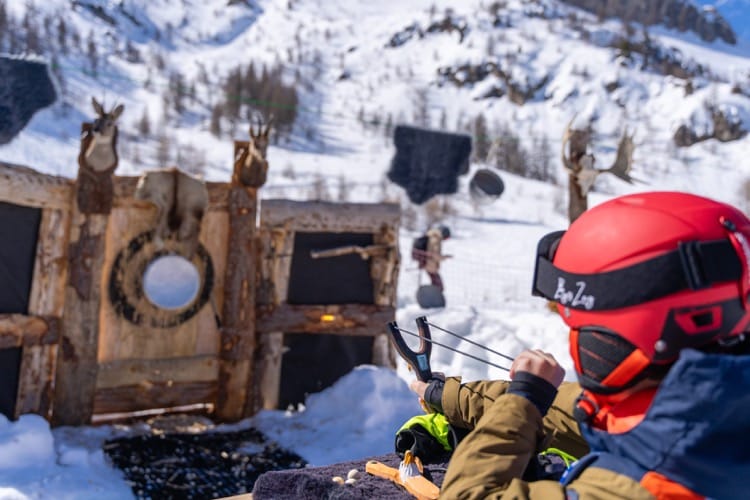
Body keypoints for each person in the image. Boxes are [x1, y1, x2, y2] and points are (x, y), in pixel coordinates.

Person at [410, 191, 750, 498]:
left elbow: (467, 494)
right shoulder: (709, 408)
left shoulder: (649, 486)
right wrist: (450, 396)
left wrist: (524, 397)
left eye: (577, 325)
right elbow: (570, 408)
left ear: (606, 341)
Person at [413, 225, 451, 291]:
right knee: (439, 286)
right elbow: (435, 255)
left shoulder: (431, 236)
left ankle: (431, 294)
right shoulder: (436, 239)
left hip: (427, 263)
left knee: (436, 284)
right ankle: (432, 295)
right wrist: (444, 257)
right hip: (430, 265)